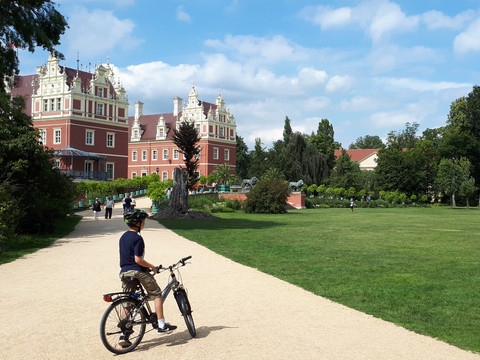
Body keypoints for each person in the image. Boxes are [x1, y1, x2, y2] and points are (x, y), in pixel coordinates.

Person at [118, 209, 176, 347]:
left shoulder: (123, 237)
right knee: (156, 294)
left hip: (124, 272)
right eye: (143, 221)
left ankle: (123, 335)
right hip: (137, 271)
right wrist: (151, 267)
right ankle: (161, 325)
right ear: (138, 223)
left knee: (128, 302)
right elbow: (137, 259)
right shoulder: (137, 238)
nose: (144, 223)